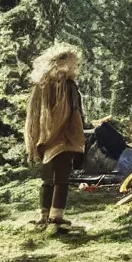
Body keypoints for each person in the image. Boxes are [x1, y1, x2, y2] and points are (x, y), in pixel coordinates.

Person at [24, 44, 86, 231]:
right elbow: (75, 113)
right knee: (61, 178)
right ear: (62, 62)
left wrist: (39, 137)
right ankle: (55, 217)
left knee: (47, 178)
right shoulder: (66, 86)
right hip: (64, 138)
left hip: (44, 138)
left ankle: (45, 215)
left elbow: (33, 116)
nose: (75, 67)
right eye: (73, 63)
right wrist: (77, 135)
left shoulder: (40, 85)